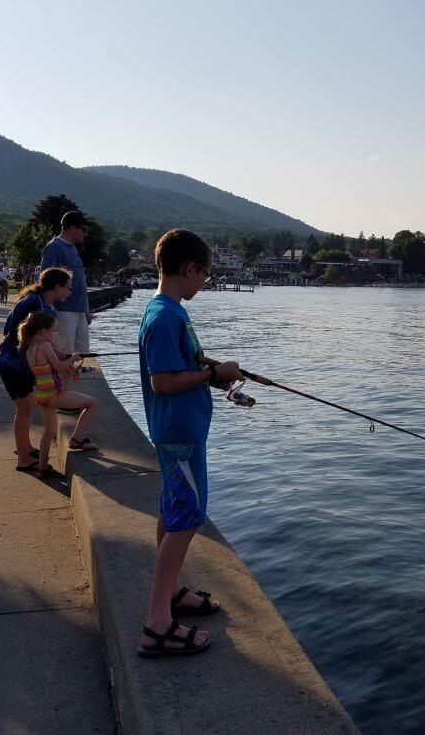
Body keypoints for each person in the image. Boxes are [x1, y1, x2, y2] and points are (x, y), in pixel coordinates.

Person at [137, 228, 243, 659]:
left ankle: (173, 593)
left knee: (172, 512)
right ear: (190, 268)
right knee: (186, 519)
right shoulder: (165, 317)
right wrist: (211, 376)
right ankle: (157, 624)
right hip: (179, 436)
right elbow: (162, 382)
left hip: (181, 433)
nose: (206, 282)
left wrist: (212, 373)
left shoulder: (169, 311)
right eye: (206, 275)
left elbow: (180, 368)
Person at [0, 267, 73, 473]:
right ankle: (24, 459)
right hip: (12, 364)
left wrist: (55, 353)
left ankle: (25, 447)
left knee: (27, 405)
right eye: (68, 288)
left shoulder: (44, 304)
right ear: (56, 287)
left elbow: (42, 338)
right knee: (24, 408)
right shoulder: (33, 304)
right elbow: (20, 336)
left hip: (19, 365)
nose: (69, 292)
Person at [19, 311, 98, 480]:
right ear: (43, 332)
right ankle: (76, 439)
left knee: (49, 432)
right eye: (53, 331)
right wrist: (73, 358)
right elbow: (59, 367)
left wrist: (66, 364)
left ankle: (42, 469)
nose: (54, 334)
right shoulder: (45, 346)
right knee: (92, 403)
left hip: (40, 395)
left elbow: (50, 369)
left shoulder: (29, 348)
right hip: (54, 394)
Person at [40, 210, 92, 355]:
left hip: (79, 311)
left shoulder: (72, 249)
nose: (85, 233)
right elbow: (46, 281)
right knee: (65, 353)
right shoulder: (54, 247)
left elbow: (81, 282)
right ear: (72, 228)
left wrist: (86, 310)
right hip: (63, 311)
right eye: (84, 229)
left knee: (82, 353)